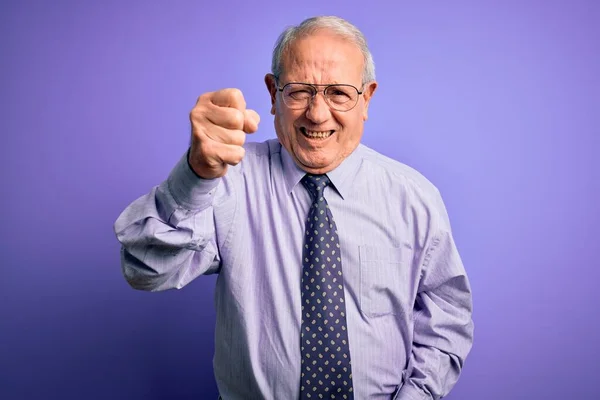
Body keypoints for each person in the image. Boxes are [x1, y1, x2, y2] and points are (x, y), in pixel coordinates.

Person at [114, 15, 474, 400]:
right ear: (273, 94)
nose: (317, 114)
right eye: (300, 91)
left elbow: (446, 321)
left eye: (338, 93)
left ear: (366, 98)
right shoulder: (227, 181)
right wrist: (197, 174)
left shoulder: (414, 198)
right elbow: (145, 270)